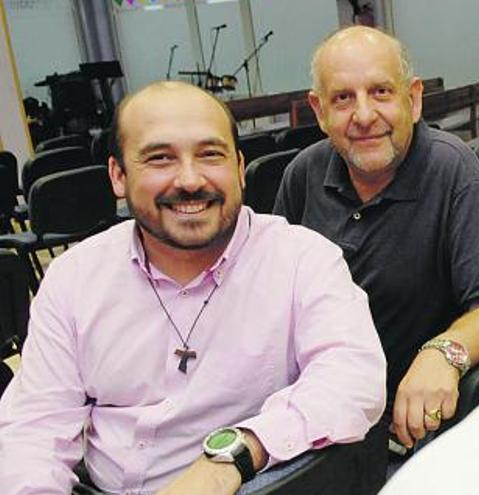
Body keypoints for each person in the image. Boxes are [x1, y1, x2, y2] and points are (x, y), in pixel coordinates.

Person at [0, 81, 386, 494]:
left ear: (239, 168)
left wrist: (234, 455)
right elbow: (34, 429)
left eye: (210, 154)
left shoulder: (300, 260)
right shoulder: (73, 278)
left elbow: (352, 380)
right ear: (118, 175)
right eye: (160, 158)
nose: (189, 179)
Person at [273, 26, 479, 454]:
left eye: (381, 92)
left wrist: (442, 353)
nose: (365, 115)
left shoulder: (452, 172)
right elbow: (273, 300)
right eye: (343, 98)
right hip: (311, 421)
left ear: (414, 98)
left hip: (402, 434)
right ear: (318, 110)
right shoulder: (304, 174)